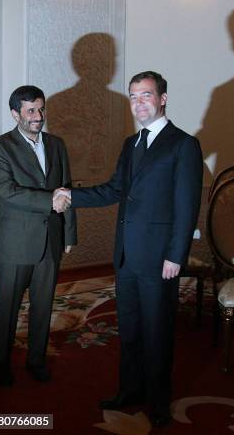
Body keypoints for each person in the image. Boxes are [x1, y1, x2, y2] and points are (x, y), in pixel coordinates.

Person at [62, 71, 203, 427]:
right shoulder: (131, 144)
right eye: (133, 96)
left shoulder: (183, 144)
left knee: (157, 333)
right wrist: (71, 196)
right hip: (126, 256)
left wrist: (176, 255)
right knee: (130, 329)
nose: (138, 103)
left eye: (146, 95)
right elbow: (113, 190)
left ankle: (158, 403)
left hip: (160, 259)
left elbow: (187, 205)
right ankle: (129, 390)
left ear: (163, 98)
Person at [0, 85, 76, 387]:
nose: (38, 116)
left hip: (50, 241)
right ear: (15, 114)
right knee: (7, 309)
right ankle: (1, 365)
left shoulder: (57, 144)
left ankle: (36, 361)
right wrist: (48, 201)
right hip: (15, 244)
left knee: (43, 306)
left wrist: (69, 232)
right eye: (30, 111)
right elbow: (6, 192)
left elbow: (67, 188)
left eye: (41, 109)